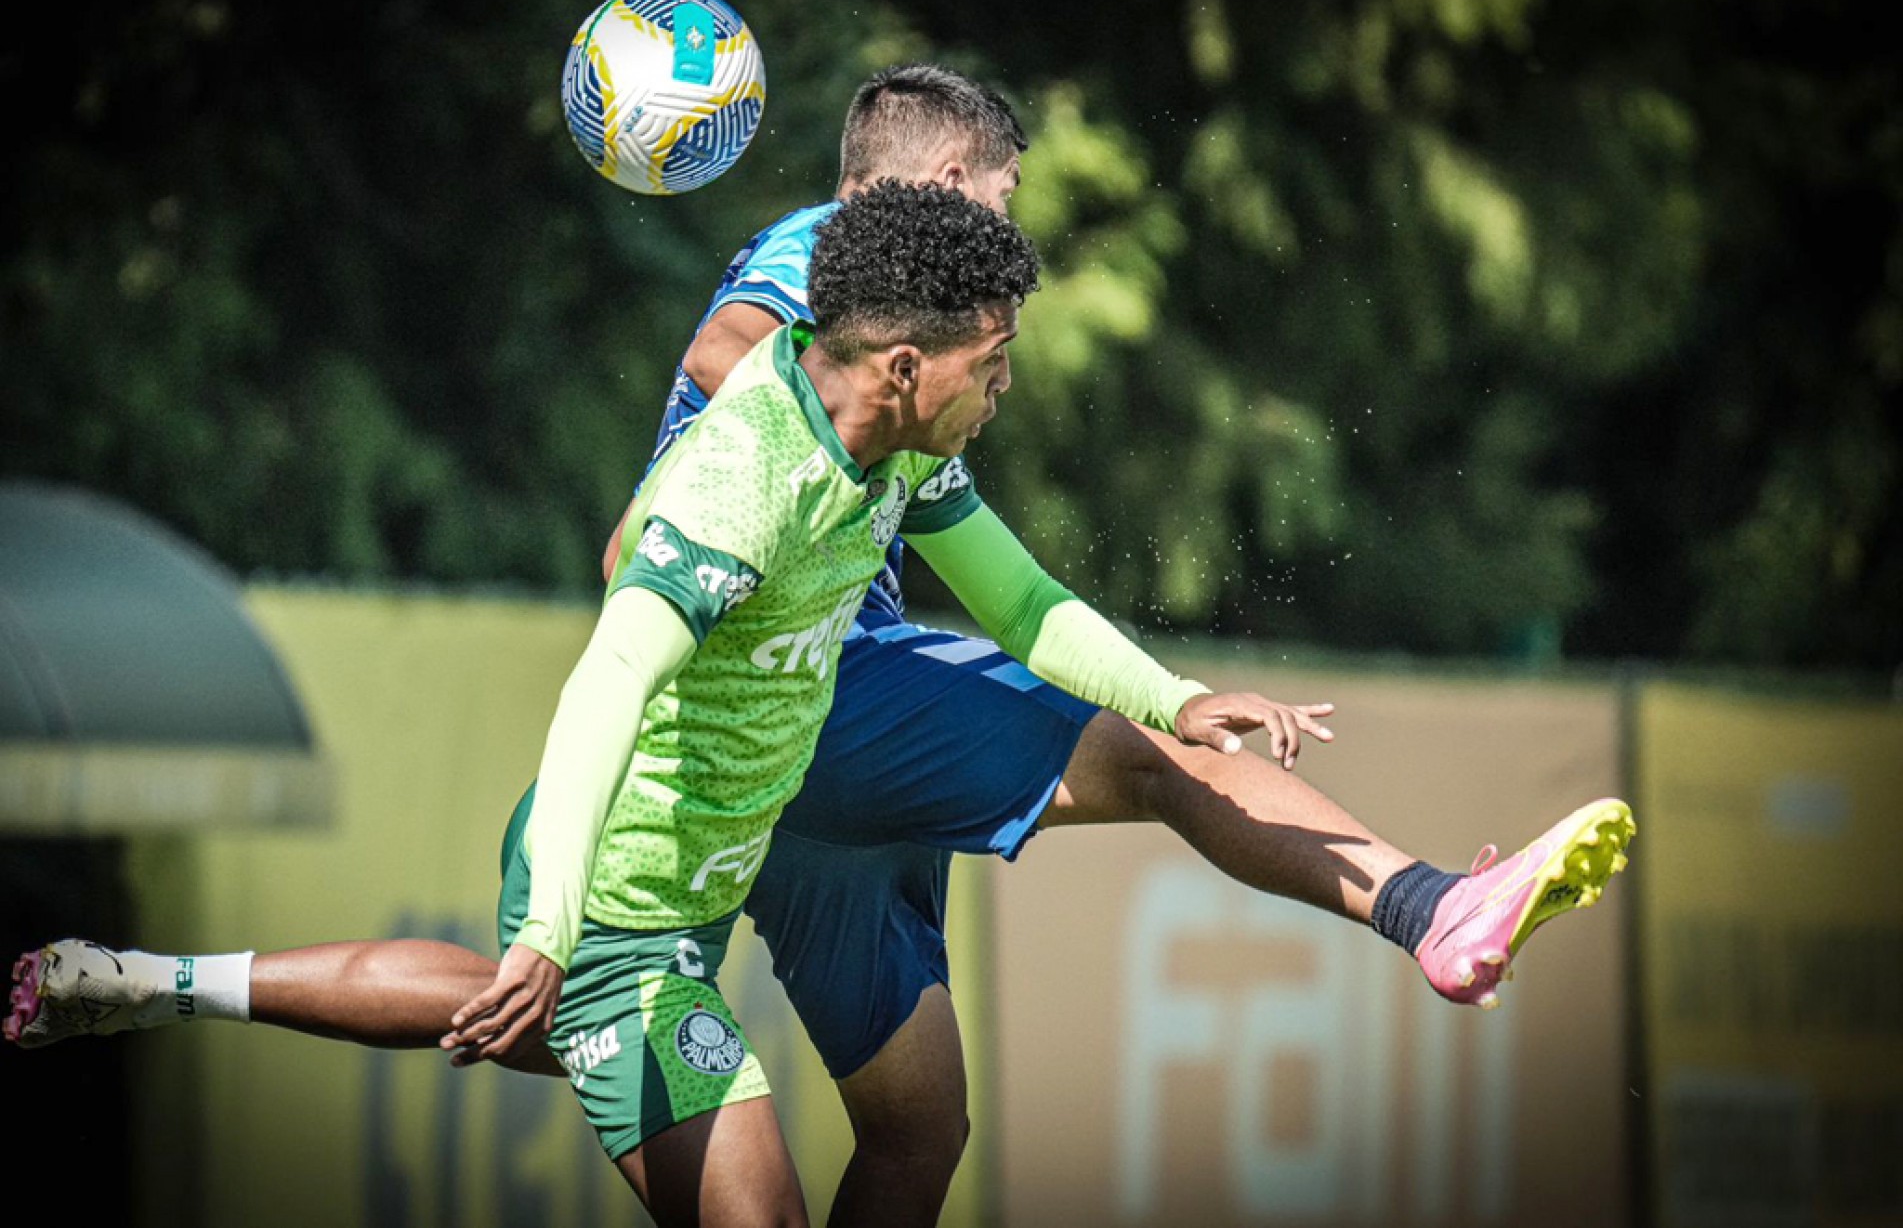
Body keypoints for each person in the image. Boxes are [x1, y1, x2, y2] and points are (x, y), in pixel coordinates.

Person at [8, 69, 1636, 1227]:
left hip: (773, 783)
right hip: (766, 762)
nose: (1000, 289)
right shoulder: (808, 349)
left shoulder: (905, 421)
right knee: (1122, 773)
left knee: (919, 1126)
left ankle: (155, 982)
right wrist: (760, 432)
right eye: (978, 234)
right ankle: (1428, 905)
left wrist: (1176, 680)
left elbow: (1012, 592)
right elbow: (660, 534)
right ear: (897, 260)